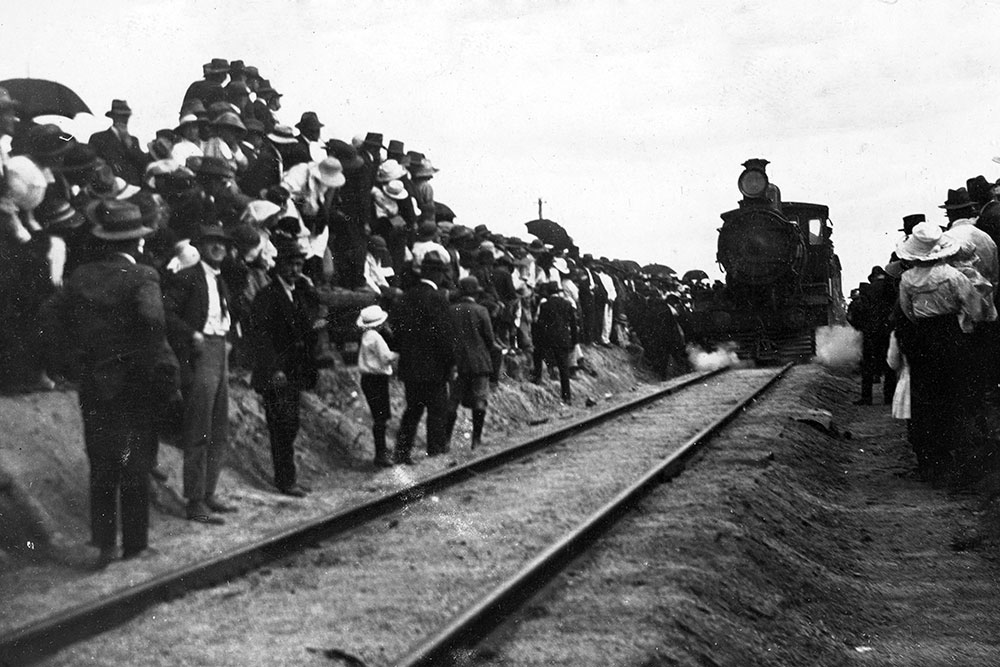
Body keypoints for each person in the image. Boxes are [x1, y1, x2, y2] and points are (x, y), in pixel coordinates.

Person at [56, 200, 177, 564]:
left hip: (94, 384)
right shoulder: (143, 276)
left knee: (102, 464)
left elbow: (51, 315)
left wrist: (71, 361)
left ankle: (105, 543)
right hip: (134, 386)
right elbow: (153, 322)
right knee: (134, 464)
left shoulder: (81, 277)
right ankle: (135, 545)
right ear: (135, 241)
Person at [162, 224, 238, 524]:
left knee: (219, 425)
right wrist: (191, 335)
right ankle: (194, 500)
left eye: (222, 243)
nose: (218, 248)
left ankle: (208, 492)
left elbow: (227, 315)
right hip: (200, 352)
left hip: (220, 350)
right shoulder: (188, 278)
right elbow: (167, 314)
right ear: (201, 246)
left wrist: (230, 340)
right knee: (199, 426)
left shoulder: (222, 281)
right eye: (212, 243)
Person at [895, 221, 980, 484]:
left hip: (922, 340)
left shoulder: (907, 279)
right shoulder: (954, 276)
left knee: (924, 401)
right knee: (954, 396)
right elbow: (974, 308)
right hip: (950, 337)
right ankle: (959, 461)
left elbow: (907, 312)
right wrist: (963, 324)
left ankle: (930, 461)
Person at [249, 236, 319, 496]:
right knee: (281, 425)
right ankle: (285, 481)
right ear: (279, 266)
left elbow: (308, 322)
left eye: (300, 264)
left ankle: (288, 477)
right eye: (291, 264)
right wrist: (273, 369)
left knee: (291, 424)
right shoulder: (267, 296)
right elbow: (261, 336)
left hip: (294, 372)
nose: (296, 270)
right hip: (276, 373)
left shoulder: (297, 294)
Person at [390, 254, 456, 463]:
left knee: (413, 410)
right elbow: (445, 336)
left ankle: (402, 452)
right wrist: (451, 361)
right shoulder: (438, 298)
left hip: (410, 366)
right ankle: (435, 451)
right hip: (435, 366)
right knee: (437, 410)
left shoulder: (405, 297)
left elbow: (396, 331)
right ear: (437, 274)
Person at [446, 276, 496, 450]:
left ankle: (446, 442)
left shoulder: (451, 310)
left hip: (457, 362)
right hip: (479, 361)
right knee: (479, 399)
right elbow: (490, 338)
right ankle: (476, 440)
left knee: (453, 401)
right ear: (475, 292)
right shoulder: (481, 310)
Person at [356, 304, 398, 467]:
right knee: (381, 417)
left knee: (379, 416)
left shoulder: (366, 335)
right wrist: (398, 353)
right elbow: (386, 357)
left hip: (368, 379)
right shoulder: (376, 337)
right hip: (377, 379)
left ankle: (381, 452)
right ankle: (381, 454)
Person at [532, 281, 578, 404]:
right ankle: (566, 396)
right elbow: (573, 325)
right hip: (563, 339)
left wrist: (538, 341)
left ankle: (537, 377)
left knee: (539, 355)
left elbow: (540, 324)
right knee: (564, 368)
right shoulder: (567, 304)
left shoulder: (545, 305)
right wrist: (574, 341)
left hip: (548, 339)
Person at [87, 99, 150, 185]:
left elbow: (142, 164)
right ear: (113, 117)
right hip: (109, 186)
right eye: (120, 116)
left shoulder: (133, 141)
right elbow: (92, 163)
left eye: (126, 116)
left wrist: (129, 145)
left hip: (132, 187)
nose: (124, 120)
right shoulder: (98, 138)